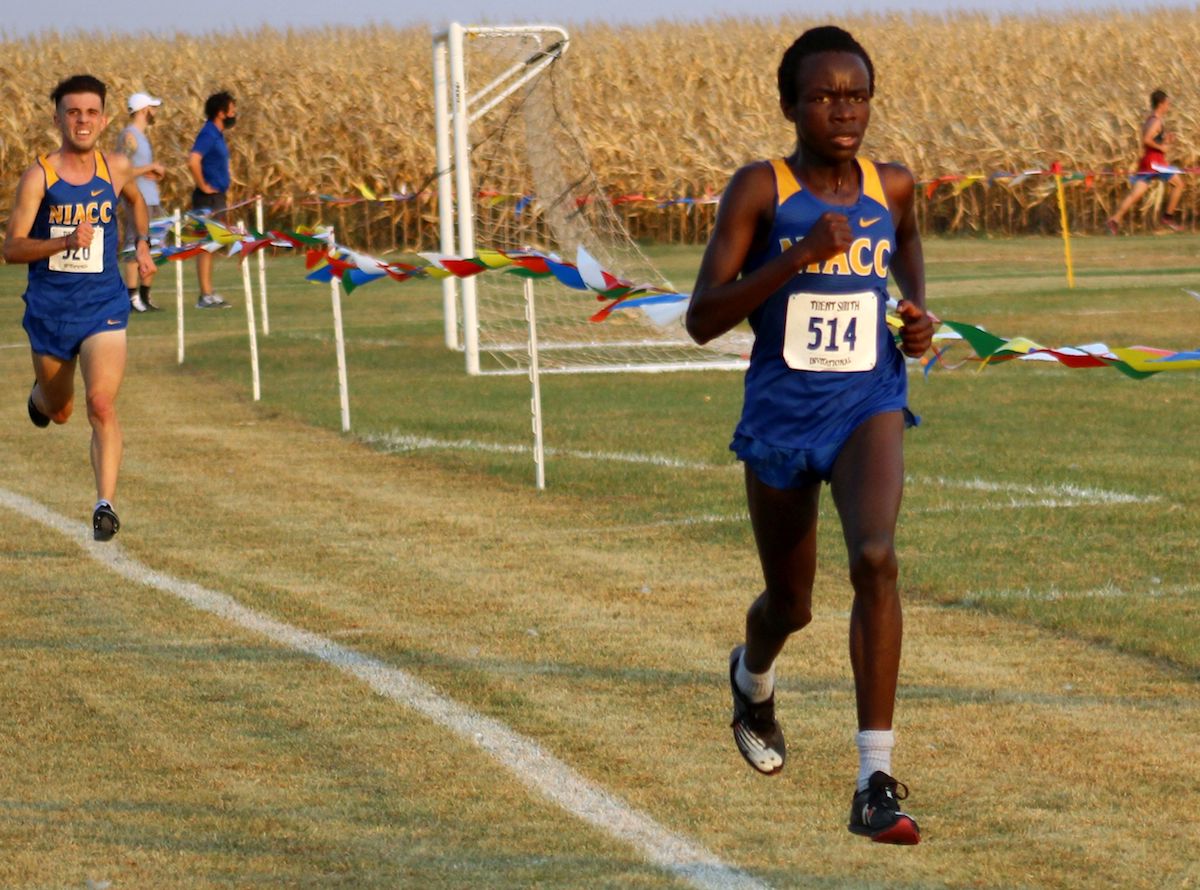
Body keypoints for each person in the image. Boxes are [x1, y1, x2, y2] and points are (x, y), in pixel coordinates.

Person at [686, 26, 933, 845]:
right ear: (790, 105)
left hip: (868, 401)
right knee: (790, 605)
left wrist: (916, 311)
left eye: (857, 95)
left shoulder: (892, 184)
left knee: (876, 558)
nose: (844, 110)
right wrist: (798, 257)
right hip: (782, 416)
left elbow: (906, 243)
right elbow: (702, 318)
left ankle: (874, 781)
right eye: (825, 96)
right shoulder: (761, 189)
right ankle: (751, 679)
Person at [3, 74, 155, 541]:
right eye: (73, 112)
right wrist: (65, 241)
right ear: (58, 119)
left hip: (102, 306)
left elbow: (136, 204)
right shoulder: (40, 177)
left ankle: (104, 505)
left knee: (101, 404)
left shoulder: (115, 167)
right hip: (50, 311)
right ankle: (39, 397)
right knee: (61, 410)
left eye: (91, 112)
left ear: (104, 120)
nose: (82, 120)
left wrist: (143, 243)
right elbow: (11, 248)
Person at [1107, 89, 1185, 234]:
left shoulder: (1150, 120)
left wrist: (1165, 140)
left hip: (1147, 161)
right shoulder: (1156, 121)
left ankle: (1115, 219)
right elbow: (1146, 140)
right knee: (1179, 184)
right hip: (1156, 163)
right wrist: (1162, 147)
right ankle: (1168, 217)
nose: (1168, 106)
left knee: (1136, 194)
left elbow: (1152, 139)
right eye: (1167, 103)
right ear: (1161, 104)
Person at [187, 91, 237, 309]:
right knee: (206, 244)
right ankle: (205, 295)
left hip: (217, 197)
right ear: (220, 113)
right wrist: (202, 185)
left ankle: (208, 291)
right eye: (231, 110)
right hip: (207, 198)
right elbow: (193, 160)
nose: (234, 114)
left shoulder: (218, 134)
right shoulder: (208, 133)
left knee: (213, 244)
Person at [117, 91, 166, 312]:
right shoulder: (129, 136)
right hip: (136, 199)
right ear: (145, 110)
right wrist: (151, 167)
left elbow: (137, 169)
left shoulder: (142, 136)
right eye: (153, 108)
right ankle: (131, 297)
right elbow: (121, 171)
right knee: (133, 246)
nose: (155, 112)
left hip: (150, 198)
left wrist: (152, 171)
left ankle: (145, 297)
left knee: (153, 246)